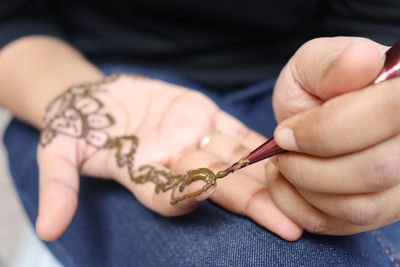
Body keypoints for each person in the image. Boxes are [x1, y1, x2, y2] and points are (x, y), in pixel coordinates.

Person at [0, 0, 400, 266]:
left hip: (293, 90)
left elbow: (369, 33)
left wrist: (361, 108)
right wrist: (73, 95)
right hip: (78, 71)